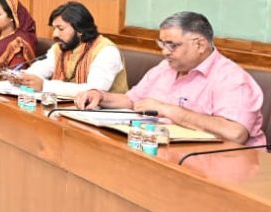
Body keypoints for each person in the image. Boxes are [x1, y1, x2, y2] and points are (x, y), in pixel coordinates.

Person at [75, 12, 266, 147]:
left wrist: (169, 110)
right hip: (166, 151)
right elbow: (133, 100)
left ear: (200, 44)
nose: (165, 52)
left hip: (226, 163)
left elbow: (235, 133)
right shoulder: (165, 68)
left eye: (172, 45)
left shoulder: (231, 78)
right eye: (162, 44)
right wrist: (100, 96)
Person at [8, 1, 127, 95]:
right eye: (54, 29)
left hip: (104, 113)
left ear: (80, 30)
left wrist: (45, 86)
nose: (55, 34)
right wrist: (22, 77)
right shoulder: (60, 47)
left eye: (61, 29)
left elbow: (94, 90)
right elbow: (41, 68)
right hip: (66, 109)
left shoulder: (106, 51)